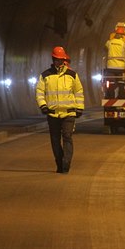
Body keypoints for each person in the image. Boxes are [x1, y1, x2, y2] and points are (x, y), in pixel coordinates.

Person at [36, 46, 84, 174]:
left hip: (68, 113)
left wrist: (79, 108)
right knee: (55, 139)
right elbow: (40, 92)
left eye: (61, 59)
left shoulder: (72, 75)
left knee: (67, 137)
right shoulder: (45, 75)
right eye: (56, 59)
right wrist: (43, 105)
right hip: (52, 114)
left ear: (64, 60)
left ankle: (66, 162)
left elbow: (78, 91)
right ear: (53, 59)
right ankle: (59, 162)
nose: (59, 61)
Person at [105, 26, 125, 98]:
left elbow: (106, 47)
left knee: (111, 83)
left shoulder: (109, 42)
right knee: (121, 83)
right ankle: (121, 96)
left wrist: (111, 38)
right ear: (123, 36)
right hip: (120, 67)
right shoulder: (124, 44)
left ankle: (111, 97)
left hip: (110, 66)